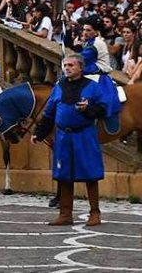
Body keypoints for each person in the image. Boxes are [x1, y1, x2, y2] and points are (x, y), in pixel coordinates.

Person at [32, 54, 107, 227]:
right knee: (63, 175)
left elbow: (103, 110)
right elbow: (49, 113)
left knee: (90, 174)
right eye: (65, 65)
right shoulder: (59, 87)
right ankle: (65, 214)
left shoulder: (92, 87)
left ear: (81, 67)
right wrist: (40, 132)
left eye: (71, 65)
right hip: (63, 137)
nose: (67, 68)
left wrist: (89, 109)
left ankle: (94, 213)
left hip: (84, 135)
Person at [74, 15, 121, 121]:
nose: (84, 32)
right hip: (91, 73)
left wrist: (75, 49)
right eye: (84, 29)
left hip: (99, 77)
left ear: (96, 32)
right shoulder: (91, 41)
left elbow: (81, 59)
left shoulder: (96, 43)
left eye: (88, 30)